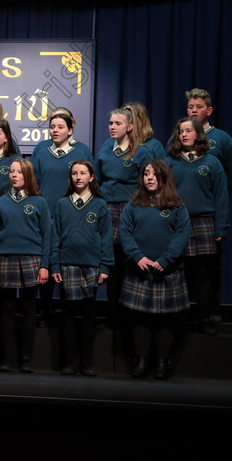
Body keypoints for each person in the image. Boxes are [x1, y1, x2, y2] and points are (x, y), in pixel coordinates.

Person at [118, 160, 191, 379]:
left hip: (166, 271)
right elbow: (125, 232)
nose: (149, 177)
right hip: (140, 271)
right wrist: (138, 257)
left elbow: (181, 236)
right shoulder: (133, 205)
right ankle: (141, 361)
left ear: (164, 178)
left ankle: (161, 362)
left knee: (165, 319)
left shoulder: (177, 206)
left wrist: (166, 259)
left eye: (154, 174)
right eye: (146, 174)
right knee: (140, 318)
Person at [0, 158, 51, 373]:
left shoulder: (39, 202)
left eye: (19, 172)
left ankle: (26, 359)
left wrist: (44, 265)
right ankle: (7, 358)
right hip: (4, 259)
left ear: (28, 176)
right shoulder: (0, 202)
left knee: (28, 309)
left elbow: (47, 236)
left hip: (31, 259)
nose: (14, 175)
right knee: (6, 309)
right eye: (12, 171)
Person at [166, 117, 229, 335]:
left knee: (203, 274)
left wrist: (220, 228)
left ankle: (204, 319)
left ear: (198, 134)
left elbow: (221, 197)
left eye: (188, 131)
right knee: (179, 275)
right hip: (178, 222)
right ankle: (180, 321)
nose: (184, 135)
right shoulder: (170, 162)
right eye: (180, 131)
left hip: (204, 223)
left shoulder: (212, 162)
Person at [51, 160, 113, 376]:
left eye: (83, 173)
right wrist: (55, 264)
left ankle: (87, 362)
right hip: (67, 263)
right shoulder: (62, 204)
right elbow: (55, 236)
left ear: (91, 177)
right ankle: (68, 362)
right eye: (74, 173)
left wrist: (105, 265)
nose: (78, 177)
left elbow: (106, 237)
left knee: (88, 312)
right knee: (67, 313)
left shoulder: (100, 205)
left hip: (91, 265)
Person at [31, 110, 93, 326]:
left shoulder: (82, 150)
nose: (55, 130)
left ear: (70, 129)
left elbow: (89, 181)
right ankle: (45, 310)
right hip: (45, 212)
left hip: (71, 213)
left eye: (59, 127)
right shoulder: (41, 149)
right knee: (46, 260)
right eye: (52, 127)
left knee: (66, 261)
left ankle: (67, 311)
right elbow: (34, 182)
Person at [95, 107, 152, 329]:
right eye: (110, 123)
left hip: (130, 209)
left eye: (117, 123)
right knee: (111, 262)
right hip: (108, 209)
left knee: (130, 260)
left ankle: (132, 314)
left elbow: (145, 183)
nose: (112, 127)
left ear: (129, 126)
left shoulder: (141, 152)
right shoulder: (105, 151)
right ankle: (112, 315)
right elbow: (97, 180)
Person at [168, 88, 232, 192]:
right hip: (179, 201)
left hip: (208, 203)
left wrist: (217, 195)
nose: (194, 110)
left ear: (209, 111)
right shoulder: (176, 138)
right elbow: (166, 169)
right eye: (191, 107)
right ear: (187, 111)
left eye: (199, 107)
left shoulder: (223, 139)